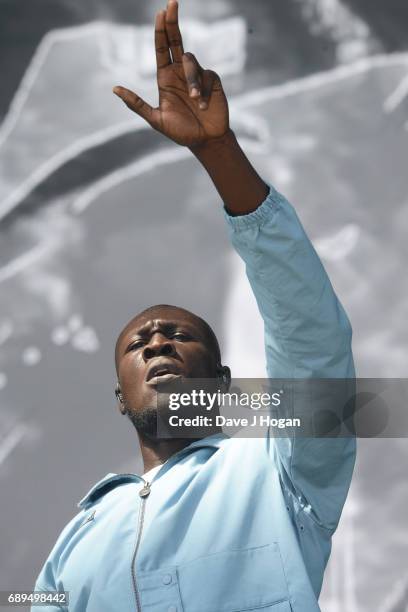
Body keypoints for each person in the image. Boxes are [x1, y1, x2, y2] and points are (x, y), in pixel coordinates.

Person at [32, 1, 356, 610]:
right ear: (119, 396)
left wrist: (218, 153)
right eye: (137, 343)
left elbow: (311, 336)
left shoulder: (281, 475)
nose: (156, 342)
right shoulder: (78, 537)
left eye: (179, 337)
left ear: (222, 381)